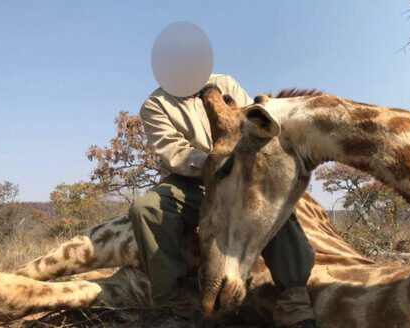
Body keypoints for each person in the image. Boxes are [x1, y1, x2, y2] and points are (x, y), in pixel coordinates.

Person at [130, 73, 317, 327]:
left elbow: (256, 124)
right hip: (190, 180)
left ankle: (294, 300)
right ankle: (171, 307)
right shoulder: (154, 105)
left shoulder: (226, 83)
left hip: (239, 172)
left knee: (271, 200)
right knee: (146, 209)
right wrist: (218, 163)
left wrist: (239, 167)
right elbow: (175, 153)